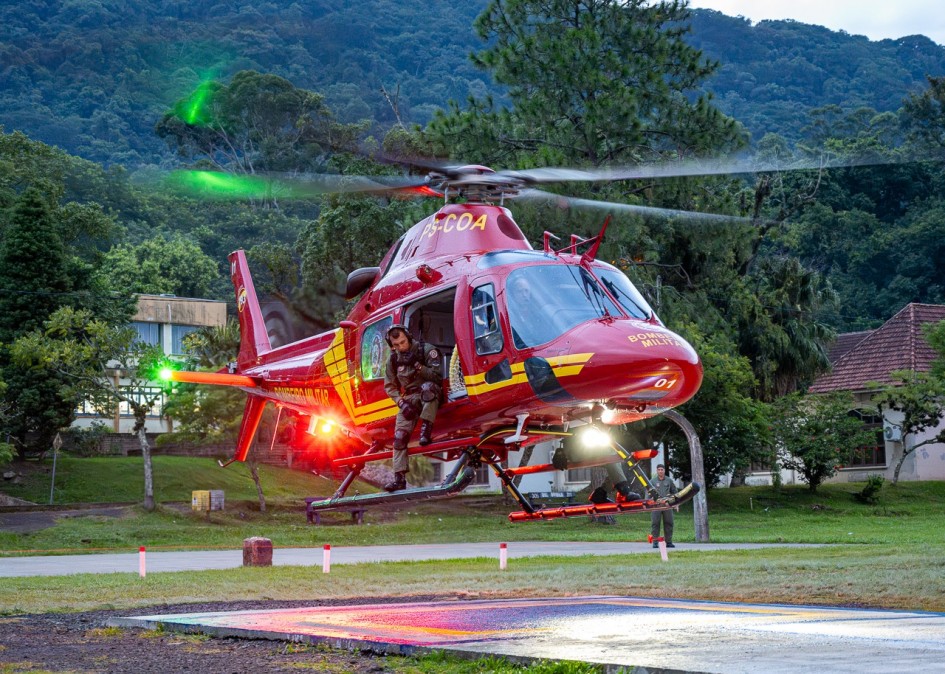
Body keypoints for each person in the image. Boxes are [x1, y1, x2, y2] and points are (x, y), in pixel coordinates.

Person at [382, 323, 442, 492]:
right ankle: (399, 479)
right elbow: (390, 386)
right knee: (399, 437)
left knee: (428, 389)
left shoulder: (427, 350)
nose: (401, 347)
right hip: (409, 397)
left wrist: (417, 365)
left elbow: (437, 377)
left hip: (430, 392)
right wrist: (401, 403)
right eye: (396, 345)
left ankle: (426, 430)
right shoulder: (393, 360)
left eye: (403, 342)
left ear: (408, 337)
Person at [650, 463, 679, 547]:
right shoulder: (652, 481)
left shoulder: (669, 480)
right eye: (659, 470)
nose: (660, 471)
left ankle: (668, 542)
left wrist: (676, 504)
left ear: (664, 470)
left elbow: (675, 492)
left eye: (662, 470)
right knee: (655, 523)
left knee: (669, 523)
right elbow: (648, 493)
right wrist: (648, 504)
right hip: (656, 506)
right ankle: (655, 542)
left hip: (667, 505)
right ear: (657, 471)